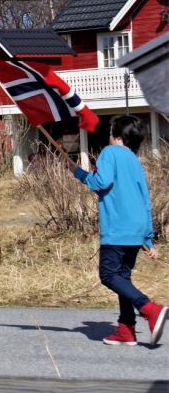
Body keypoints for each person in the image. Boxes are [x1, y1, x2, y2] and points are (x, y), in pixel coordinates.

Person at [69, 115, 166, 346]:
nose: (108, 132)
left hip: (117, 227)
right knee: (123, 276)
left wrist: (80, 174)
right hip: (136, 228)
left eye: (111, 129)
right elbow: (145, 198)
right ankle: (126, 328)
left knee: (109, 275)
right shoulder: (134, 160)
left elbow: (100, 182)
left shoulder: (109, 153)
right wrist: (148, 238)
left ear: (118, 134)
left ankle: (149, 308)